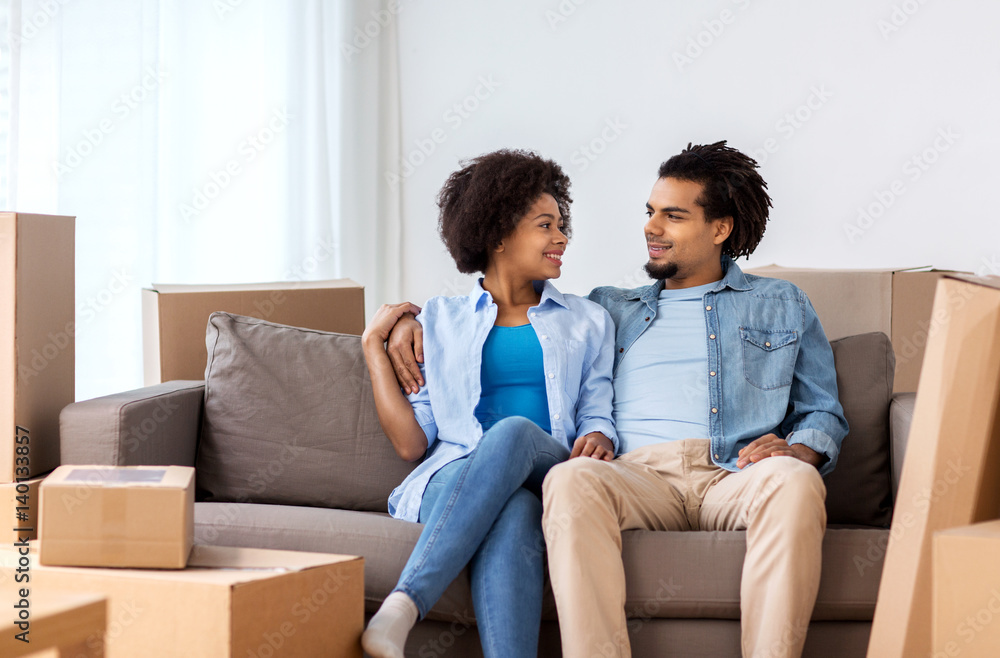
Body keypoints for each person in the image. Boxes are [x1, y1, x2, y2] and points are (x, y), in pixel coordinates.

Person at [386, 141, 848, 658]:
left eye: (673, 216)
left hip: (733, 471)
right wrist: (405, 321)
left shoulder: (782, 303)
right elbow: (510, 307)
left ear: (720, 229)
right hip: (636, 475)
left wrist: (799, 450)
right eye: (650, 213)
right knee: (569, 477)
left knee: (795, 482)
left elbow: (822, 409)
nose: (652, 227)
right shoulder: (609, 307)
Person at [360, 148, 618, 658]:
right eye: (545, 225)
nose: (561, 237)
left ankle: (403, 606)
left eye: (562, 224)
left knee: (515, 432)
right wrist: (373, 348)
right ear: (499, 234)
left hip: (551, 466)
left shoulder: (589, 320)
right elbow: (413, 443)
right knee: (513, 513)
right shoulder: (439, 320)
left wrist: (601, 434)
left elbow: (597, 408)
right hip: (457, 475)